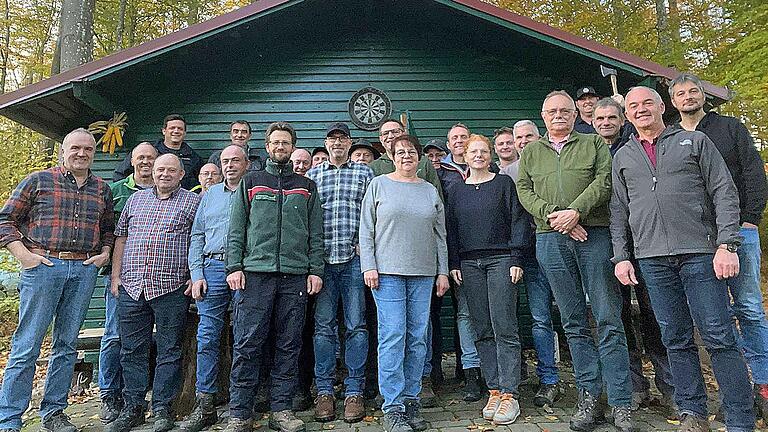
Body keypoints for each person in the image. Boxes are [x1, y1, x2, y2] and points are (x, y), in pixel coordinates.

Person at [611, 85, 756, 432]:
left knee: (719, 335)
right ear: (627, 115)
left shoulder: (693, 142)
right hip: (652, 259)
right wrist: (621, 256)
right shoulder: (623, 156)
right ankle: (692, 413)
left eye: (648, 102)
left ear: (663, 107)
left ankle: (740, 417)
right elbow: (619, 210)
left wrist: (727, 244)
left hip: (700, 254)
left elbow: (724, 190)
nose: (641, 109)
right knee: (674, 337)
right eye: (633, 106)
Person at [516, 90, 633, 432]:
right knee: (572, 322)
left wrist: (576, 212)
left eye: (565, 111)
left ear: (575, 115)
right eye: (552, 111)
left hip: (594, 236)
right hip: (550, 239)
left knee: (608, 317)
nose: (558, 116)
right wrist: (557, 216)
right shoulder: (532, 152)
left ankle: (621, 403)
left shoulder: (594, 143)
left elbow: (605, 181)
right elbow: (525, 191)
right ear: (543, 115)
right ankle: (589, 398)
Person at [0, 129, 114, 432]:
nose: (81, 153)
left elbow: (108, 228)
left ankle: (53, 413)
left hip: (83, 270)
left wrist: (104, 253)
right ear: (63, 151)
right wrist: (24, 256)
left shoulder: (102, 189)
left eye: (87, 149)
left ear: (94, 153)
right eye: (75, 148)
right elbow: (4, 219)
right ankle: (9, 419)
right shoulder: (38, 181)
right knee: (27, 345)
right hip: (44, 267)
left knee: (66, 345)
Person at [669, 72, 768, 419]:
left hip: (738, 232)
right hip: (696, 238)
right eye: (680, 93)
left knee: (749, 308)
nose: (687, 97)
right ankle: (736, 389)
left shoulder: (729, 129)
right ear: (672, 101)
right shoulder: (671, 136)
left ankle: (763, 384)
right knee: (716, 316)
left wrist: (750, 219)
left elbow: (754, 173)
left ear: (703, 95)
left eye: (692, 91)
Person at [224, 122, 324, 432]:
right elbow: (237, 228)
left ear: (293, 147)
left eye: (285, 143)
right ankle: (240, 412)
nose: (280, 147)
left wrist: (315, 270)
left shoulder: (306, 186)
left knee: (289, 343)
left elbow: (316, 234)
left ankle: (282, 409)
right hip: (255, 274)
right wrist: (234, 266)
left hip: (295, 276)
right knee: (247, 343)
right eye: (275, 143)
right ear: (267, 147)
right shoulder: (251, 181)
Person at [359, 134, 449, 432]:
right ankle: (393, 407)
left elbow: (440, 234)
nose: (406, 156)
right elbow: (366, 230)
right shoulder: (379, 185)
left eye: (411, 152)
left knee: (417, 338)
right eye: (400, 152)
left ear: (420, 158)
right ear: (391, 155)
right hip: (387, 274)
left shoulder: (428, 190)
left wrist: (443, 271)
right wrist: (369, 266)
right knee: (393, 334)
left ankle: (412, 401)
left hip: (423, 273)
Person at [107, 154, 201, 432]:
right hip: (132, 287)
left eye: (171, 170)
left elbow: (200, 241)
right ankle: (133, 407)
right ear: (153, 172)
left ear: (182, 174)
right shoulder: (135, 200)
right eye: (160, 169)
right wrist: (115, 276)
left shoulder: (193, 202)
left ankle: (162, 408)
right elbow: (120, 237)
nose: (164, 174)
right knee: (132, 349)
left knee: (169, 350)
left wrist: (194, 276)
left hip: (172, 287)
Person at [593, 97, 674, 410]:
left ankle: (670, 386)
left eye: (611, 117)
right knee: (619, 316)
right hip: (612, 244)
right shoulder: (592, 151)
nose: (605, 123)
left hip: (648, 242)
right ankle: (634, 385)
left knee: (657, 316)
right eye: (600, 119)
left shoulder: (635, 146)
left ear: (622, 119)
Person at [446, 134, 531, 425]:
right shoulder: (456, 190)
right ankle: (494, 388)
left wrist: (517, 258)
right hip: (469, 264)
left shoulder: (503, 184)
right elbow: (451, 229)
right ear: (465, 156)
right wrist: (454, 262)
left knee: (504, 326)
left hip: (501, 260)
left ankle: (510, 393)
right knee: (481, 327)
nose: (479, 155)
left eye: (483, 151)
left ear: (490, 154)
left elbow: (518, 220)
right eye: (473, 151)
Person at [179, 145, 250, 432]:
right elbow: (197, 235)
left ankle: (240, 403)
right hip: (212, 269)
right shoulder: (209, 196)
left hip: (245, 270)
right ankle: (205, 404)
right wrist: (196, 273)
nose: (230, 165)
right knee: (208, 336)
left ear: (246, 163)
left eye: (235, 160)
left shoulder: (254, 192)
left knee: (245, 336)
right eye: (225, 161)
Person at [307, 122, 373, 423]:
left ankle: (354, 391)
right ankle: (324, 392)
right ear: (325, 143)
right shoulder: (312, 176)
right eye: (332, 139)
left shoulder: (364, 173)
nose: (337, 143)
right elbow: (305, 220)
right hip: (322, 262)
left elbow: (375, 213)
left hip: (354, 261)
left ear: (349, 143)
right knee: (323, 328)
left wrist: (366, 242)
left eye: (342, 138)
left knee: (356, 325)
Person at [498, 121, 563, 408]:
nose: (523, 141)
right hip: (528, 255)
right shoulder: (506, 173)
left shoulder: (552, 164)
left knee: (574, 316)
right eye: (518, 137)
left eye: (529, 136)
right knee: (538, 318)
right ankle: (547, 379)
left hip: (560, 246)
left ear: (541, 137)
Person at [100, 142, 158, 425]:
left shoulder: (164, 191)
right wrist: (114, 273)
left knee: (144, 340)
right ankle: (109, 395)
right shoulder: (117, 191)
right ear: (132, 161)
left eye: (150, 157)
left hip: (158, 280)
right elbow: (110, 234)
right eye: (141, 157)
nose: (146, 162)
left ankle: (136, 395)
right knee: (114, 335)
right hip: (123, 279)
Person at [438, 123, 485, 401]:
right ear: (449, 143)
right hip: (460, 256)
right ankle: (467, 370)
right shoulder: (442, 173)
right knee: (464, 313)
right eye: (454, 138)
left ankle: (488, 368)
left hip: (491, 256)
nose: (459, 141)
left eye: (463, 137)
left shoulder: (494, 175)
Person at [113, 114, 205, 190]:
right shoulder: (148, 152)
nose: (176, 131)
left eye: (180, 129)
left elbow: (201, 181)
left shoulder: (193, 157)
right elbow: (119, 174)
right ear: (164, 131)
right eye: (172, 128)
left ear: (185, 133)